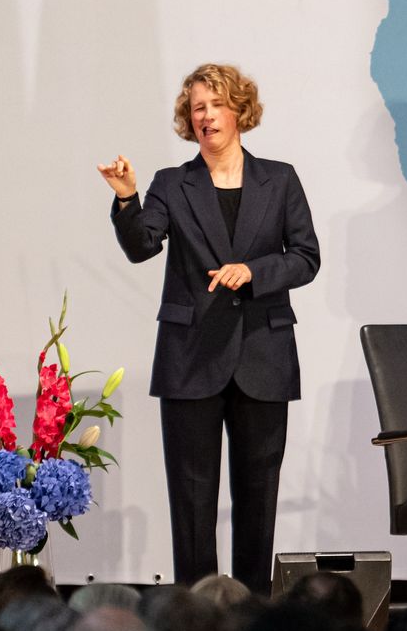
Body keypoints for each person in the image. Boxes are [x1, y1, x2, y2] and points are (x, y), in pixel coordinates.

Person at [101, 64, 320, 589]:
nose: (207, 115)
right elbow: (141, 247)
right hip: (190, 356)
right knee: (192, 502)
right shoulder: (171, 183)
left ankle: (252, 610)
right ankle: (195, 614)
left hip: (263, 354)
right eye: (198, 107)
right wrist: (127, 198)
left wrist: (255, 272)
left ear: (239, 111)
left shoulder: (280, 179)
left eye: (217, 104)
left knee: (258, 499)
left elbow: (306, 257)